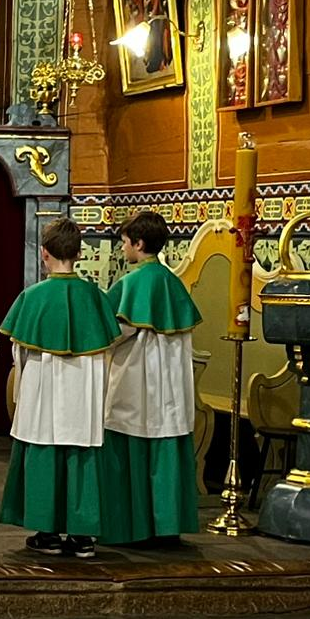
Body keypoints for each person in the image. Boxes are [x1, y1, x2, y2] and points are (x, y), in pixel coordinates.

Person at [0, 218, 120, 560]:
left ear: (44, 253)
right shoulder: (95, 297)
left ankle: (48, 533)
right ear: (80, 254)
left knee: (44, 446)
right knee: (81, 450)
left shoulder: (32, 297)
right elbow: (107, 347)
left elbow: (19, 352)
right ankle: (83, 536)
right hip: (84, 390)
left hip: (45, 388)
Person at [101, 212, 202, 546]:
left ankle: (132, 528)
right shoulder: (173, 282)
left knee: (131, 445)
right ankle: (167, 528)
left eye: (125, 242)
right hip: (171, 386)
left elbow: (114, 332)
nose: (122, 248)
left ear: (139, 243)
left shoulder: (132, 283)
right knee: (166, 446)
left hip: (138, 383)